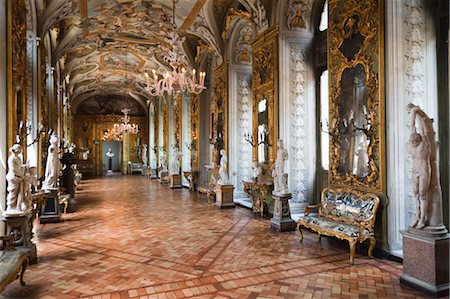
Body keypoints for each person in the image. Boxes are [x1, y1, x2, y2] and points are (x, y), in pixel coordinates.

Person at [407, 106, 431, 229]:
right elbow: (412, 126)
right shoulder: (411, 143)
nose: (413, 142)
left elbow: (422, 129)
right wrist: (413, 113)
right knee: (415, 194)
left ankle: (423, 218)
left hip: (423, 170)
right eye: (412, 141)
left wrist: (418, 113)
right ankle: (416, 216)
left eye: (415, 141)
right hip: (414, 171)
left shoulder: (424, 142)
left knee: (422, 194)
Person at [4, 144, 25, 215]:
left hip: (18, 177)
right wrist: (21, 175)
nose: (21, 150)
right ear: (17, 150)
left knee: (18, 193)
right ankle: (11, 207)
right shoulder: (11, 158)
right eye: (20, 149)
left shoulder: (18, 158)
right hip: (13, 177)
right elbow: (13, 169)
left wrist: (23, 170)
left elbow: (19, 168)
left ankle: (17, 207)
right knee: (13, 193)